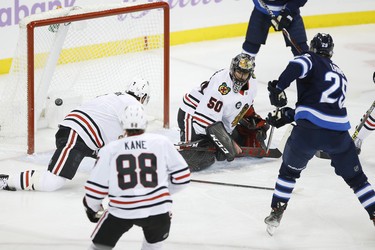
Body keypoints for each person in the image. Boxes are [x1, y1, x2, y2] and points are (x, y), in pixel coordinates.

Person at [263, 33, 375, 235]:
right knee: (358, 180)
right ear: (330, 52)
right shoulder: (341, 74)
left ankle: (277, 211)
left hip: (309, 133)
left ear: (313, 48)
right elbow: (323, 106)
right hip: (339, 135)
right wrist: (289, 114)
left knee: (289, 173)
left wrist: (278, 87)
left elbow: (297, 67)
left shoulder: (309, 59)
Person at [0, 77, 151, 192]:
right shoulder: (134, 105)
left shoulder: (114, 97)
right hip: (78, 135)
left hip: (79, 134)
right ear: (143, 97)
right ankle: (7, 181)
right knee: (51, 183)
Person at [83, 104, 190, 250]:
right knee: (154, 245)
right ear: (145, 123)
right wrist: (160, 193)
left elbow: (95, 189)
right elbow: (183, 177)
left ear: (123, 125)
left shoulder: (110, 149)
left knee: (98, 247)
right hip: (158, 211)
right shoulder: (161, 142)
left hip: (122, 210)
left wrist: (92, 208)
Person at [177, 53, 269, 171]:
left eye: (245, 74)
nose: (241, 77)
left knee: (236, 141)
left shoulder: (253, 83)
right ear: (232, 69)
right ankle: (171, 159)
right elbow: (207, 121)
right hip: (193, 114)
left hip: (218, 117)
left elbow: (244, 104)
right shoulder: (220, 86)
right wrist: (227, 143)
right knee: (200, 159)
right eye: (238, 72)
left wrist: (252, 119)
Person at [242, 0, 309, 57]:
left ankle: (306, 66)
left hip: (290, 12)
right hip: (261, 11)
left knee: (300, 46)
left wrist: (289, 10)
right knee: (251, 44)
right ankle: (243, 69)